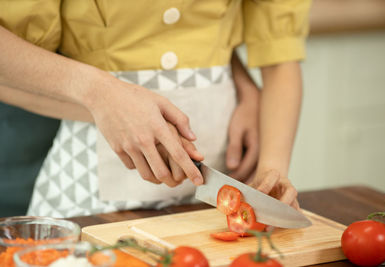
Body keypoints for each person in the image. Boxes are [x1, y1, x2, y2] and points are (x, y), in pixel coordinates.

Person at [0, 0, 311, 218]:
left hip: (221, 182)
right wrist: (100, 92)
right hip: (91, 185)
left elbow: (281, 60)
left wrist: (272, 172)